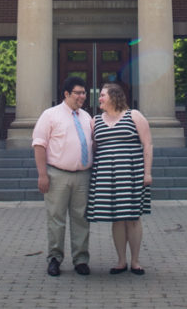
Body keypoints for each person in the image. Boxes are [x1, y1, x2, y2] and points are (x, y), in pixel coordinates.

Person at [85, 82, 153, 275]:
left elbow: (147, 144)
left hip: (131, 173)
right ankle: (121, 261)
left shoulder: (134, 116)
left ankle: (136, 261)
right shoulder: (95, 120)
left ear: (115, 96)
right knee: (116, 218)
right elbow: (92, 147)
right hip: (106, 176)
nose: (99, 99)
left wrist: (147, 173)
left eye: (103, 95)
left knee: (132, 218)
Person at [32, 75, 94, 277]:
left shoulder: (86, 117)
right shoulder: (50, 115)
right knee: (56, 218)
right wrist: (42, 175)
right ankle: (55, 258)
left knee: (81, 219)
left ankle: (81, 260)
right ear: (66, 94)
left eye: (84, 92)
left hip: (83, 176)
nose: (82, 96)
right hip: (57, 174)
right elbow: (39, 144)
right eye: (78, 93)